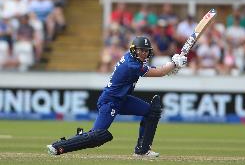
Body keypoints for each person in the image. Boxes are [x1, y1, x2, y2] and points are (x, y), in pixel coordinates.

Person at [47, 36, 187, 157]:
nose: (143, 53)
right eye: (141, 50)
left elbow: (158, 71)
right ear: (134, 50)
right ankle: (59, 146)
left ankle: (142, 151)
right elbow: (159, 72)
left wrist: (171, 67)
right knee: (98, 136)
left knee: (152, 111)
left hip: (122, 99)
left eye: (145, 51)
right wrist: (174, 63)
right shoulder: (132, 64)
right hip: (110, 101)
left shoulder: (132, 58)